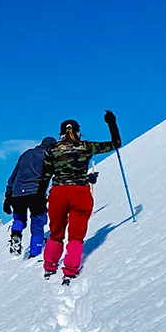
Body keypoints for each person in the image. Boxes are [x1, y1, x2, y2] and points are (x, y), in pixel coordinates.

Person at [39, 110, 122, 283]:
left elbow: (45, 176)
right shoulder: (87, 146)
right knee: (76, 236)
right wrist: (111, 123)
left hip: (58, 193)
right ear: (78, 131)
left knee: (56, 233)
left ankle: (50, 266)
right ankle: (70, 270)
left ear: (60, 134)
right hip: (80, 192)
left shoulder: (51, 150)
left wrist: (40, 197)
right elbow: (116, 143)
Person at [3, 136, 56, 258]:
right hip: (36, 193)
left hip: (17, 193)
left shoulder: (26, 154)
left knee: (19, 218)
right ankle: (35, 252)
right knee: (37, 222)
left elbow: (13, 176)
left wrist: (7, 196)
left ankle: (16, 233)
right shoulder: (49, 156)